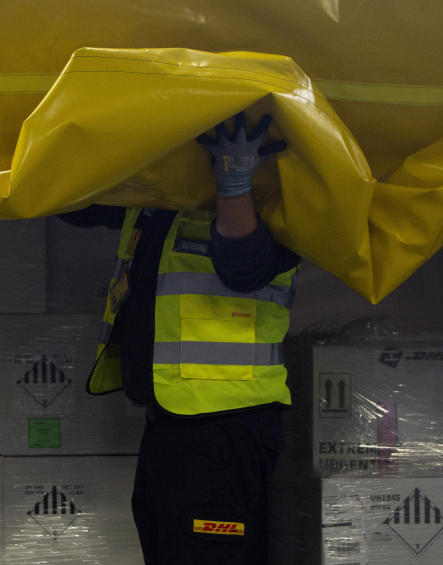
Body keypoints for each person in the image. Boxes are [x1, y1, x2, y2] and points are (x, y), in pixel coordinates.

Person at [59, 112, 299, 565]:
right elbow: (78, 205)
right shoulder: (163, 194)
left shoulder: (282, 196)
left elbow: (245, 266)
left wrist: (233, 182)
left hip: (224, 430)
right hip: (174, 423)